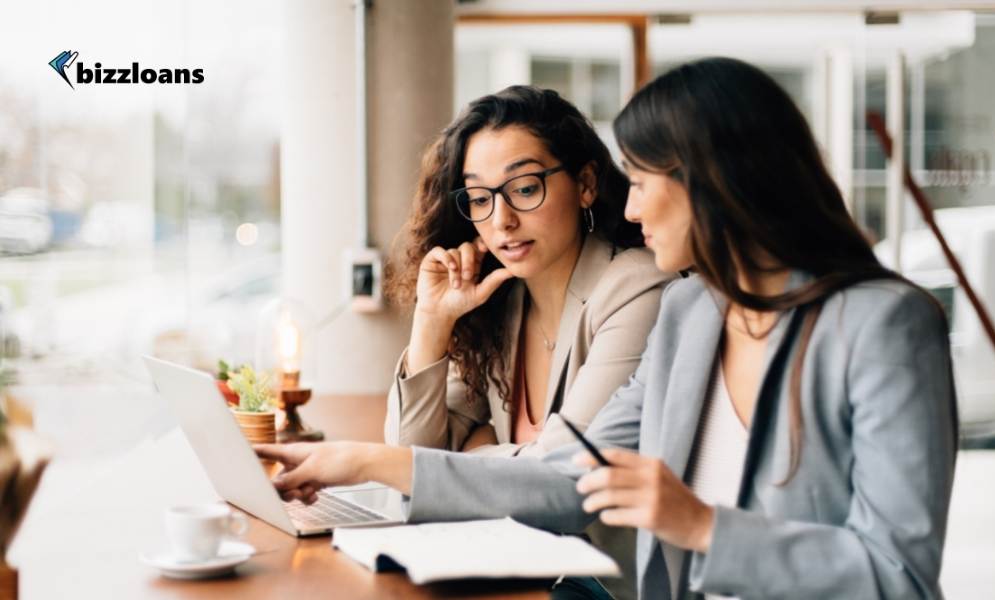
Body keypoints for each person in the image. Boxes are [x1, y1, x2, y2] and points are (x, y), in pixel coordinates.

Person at [257, 58, 958, 599]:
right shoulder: (693, 314)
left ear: (716, 182)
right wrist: (363, 460)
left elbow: (899, 574)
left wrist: (702, 526)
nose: (634, 210)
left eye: (645, 180)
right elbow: (568, 480)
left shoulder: (883, 324)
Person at [383, 85, 670, 460]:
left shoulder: (635, 286)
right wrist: (432, 321)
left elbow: (565, 465)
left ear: (585, 184)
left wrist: (478, 449)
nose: (502, 220)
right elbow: (411, 456)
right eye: (481, 198)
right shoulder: (499, 302)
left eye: (525, 188)